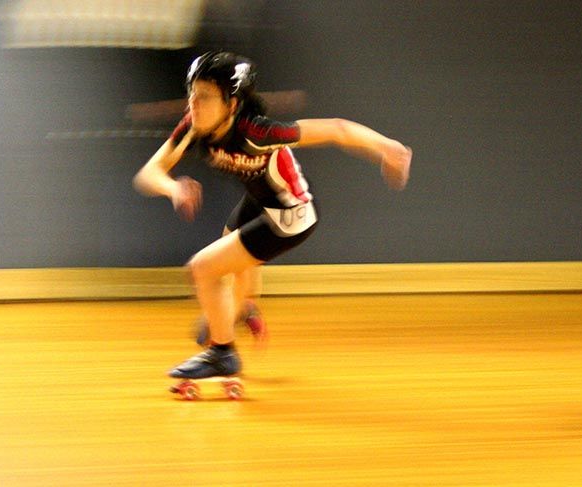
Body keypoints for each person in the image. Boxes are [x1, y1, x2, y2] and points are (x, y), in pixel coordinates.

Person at [133, 51, 412, 382]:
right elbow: (148, 174)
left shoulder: (258, 133)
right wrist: (173, 189)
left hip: (291, 215)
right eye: (192, 93)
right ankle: (243, 308)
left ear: (232, 104)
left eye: (205, 96)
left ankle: (223, 354)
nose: (193, 103)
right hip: (260, 200)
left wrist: (388, 148)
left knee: (202, 268)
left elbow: (335, 129)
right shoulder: (193, 128)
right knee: (228, 253)